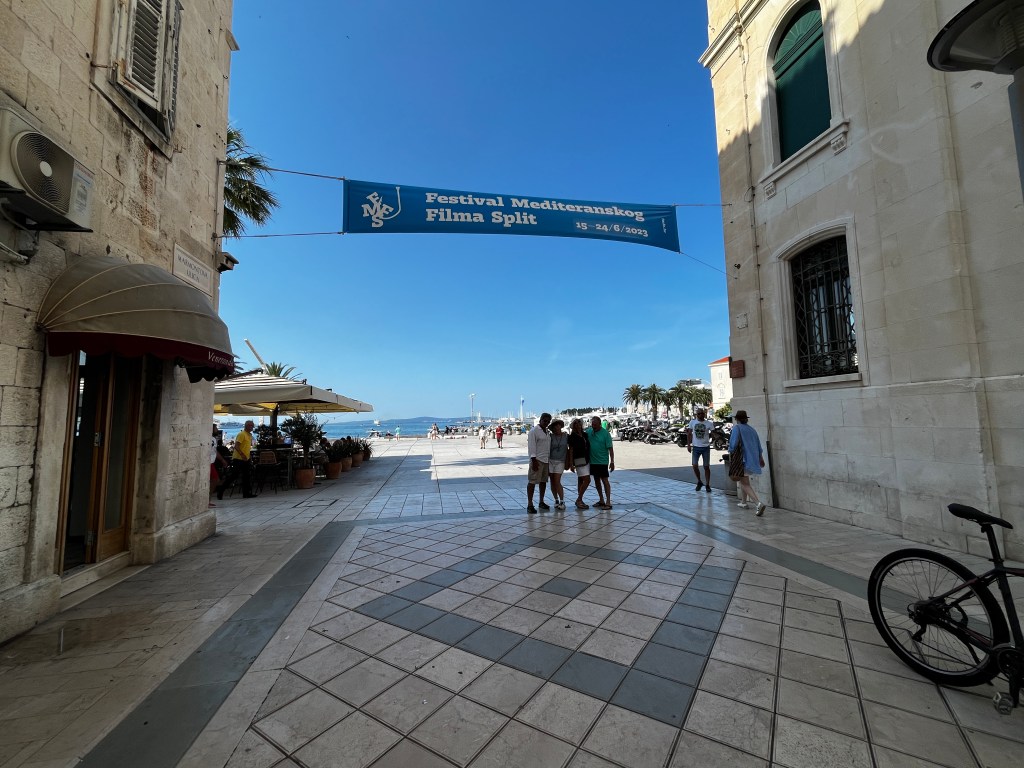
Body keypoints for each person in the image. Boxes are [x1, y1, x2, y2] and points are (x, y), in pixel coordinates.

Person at [728, 409, 767, 516]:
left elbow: (733, 445)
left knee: (744, 483)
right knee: (744, 480)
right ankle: (744, 502)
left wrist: (730, 452)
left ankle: (758, 504)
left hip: (742, 459)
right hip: (751, 460)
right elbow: (758, 446)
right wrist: (761, 458)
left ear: (737, 419)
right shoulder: (752, 430)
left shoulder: (737, 428)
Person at [216, 420, 256, 499]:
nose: (252, 427)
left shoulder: (249, 435)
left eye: (252, 426)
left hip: (246, 459)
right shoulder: (242, 434)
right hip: (238, 459)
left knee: (246, 476)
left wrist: (248, 457)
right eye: (250, 425)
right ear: (246, 426)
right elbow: (236, 446)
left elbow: (247, 447)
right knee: (234, 475)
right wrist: (242, 454)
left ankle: (246, 493)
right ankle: (221, 490)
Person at [586, 416, 615, 509]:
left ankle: (608, 501)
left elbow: (610, 449)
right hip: (592, 461)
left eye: (595, 424)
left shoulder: (605, 433)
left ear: (599, 424)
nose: (593, 426)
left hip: (602, 461)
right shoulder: (589, 431)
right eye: (592, 424)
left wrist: (612, 461)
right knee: (596, 481)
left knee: (605, 480)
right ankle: (601, 500)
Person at [527, 413, 552, 514]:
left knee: (543, 482)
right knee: (532, 482)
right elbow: (531, 446)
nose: (546, 423)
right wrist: (533, 460)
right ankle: (530, 504)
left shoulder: (547, 432)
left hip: (546, 460)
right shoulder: (534, 431)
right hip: (537, 460)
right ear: (540, 420)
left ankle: (541, 501)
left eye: (548, 421)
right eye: (545, 420)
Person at [686, 407, 715, 493]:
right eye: (698, 414)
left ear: (704, 414)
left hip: (706, 447)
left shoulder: (709, 423)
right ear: (696, 415)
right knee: (694, 465)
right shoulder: (692, 422)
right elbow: (689, 434)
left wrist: (715, 440)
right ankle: (699, 481)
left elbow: (713, 433)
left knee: (706, 466)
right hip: (696, 447)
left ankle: (707, 484)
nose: (700, 415)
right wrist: (688, 445)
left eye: (702, 413)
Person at [566, 419, 591, 510]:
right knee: (587, 480)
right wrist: (571, 464)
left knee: (581, 480)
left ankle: (580, 499)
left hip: (586, 459)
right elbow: (571, 450)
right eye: (575, 424)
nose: (578, 426)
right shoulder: (572, 437)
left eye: (579, 424)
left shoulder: (585, 435)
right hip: (578, 459)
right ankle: (579, 499)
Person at [548, 419, 568, 510]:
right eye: (554, 426)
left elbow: (570, 449)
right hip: (550, 461)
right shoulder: (550, 436)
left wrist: (569, 462)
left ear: (560, 426)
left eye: (558, 425)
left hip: (560, 461)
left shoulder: (566, 436)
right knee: (552, 481)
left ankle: (562, 501)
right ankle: (556, 499)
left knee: (557, 481)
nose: (556, 427)